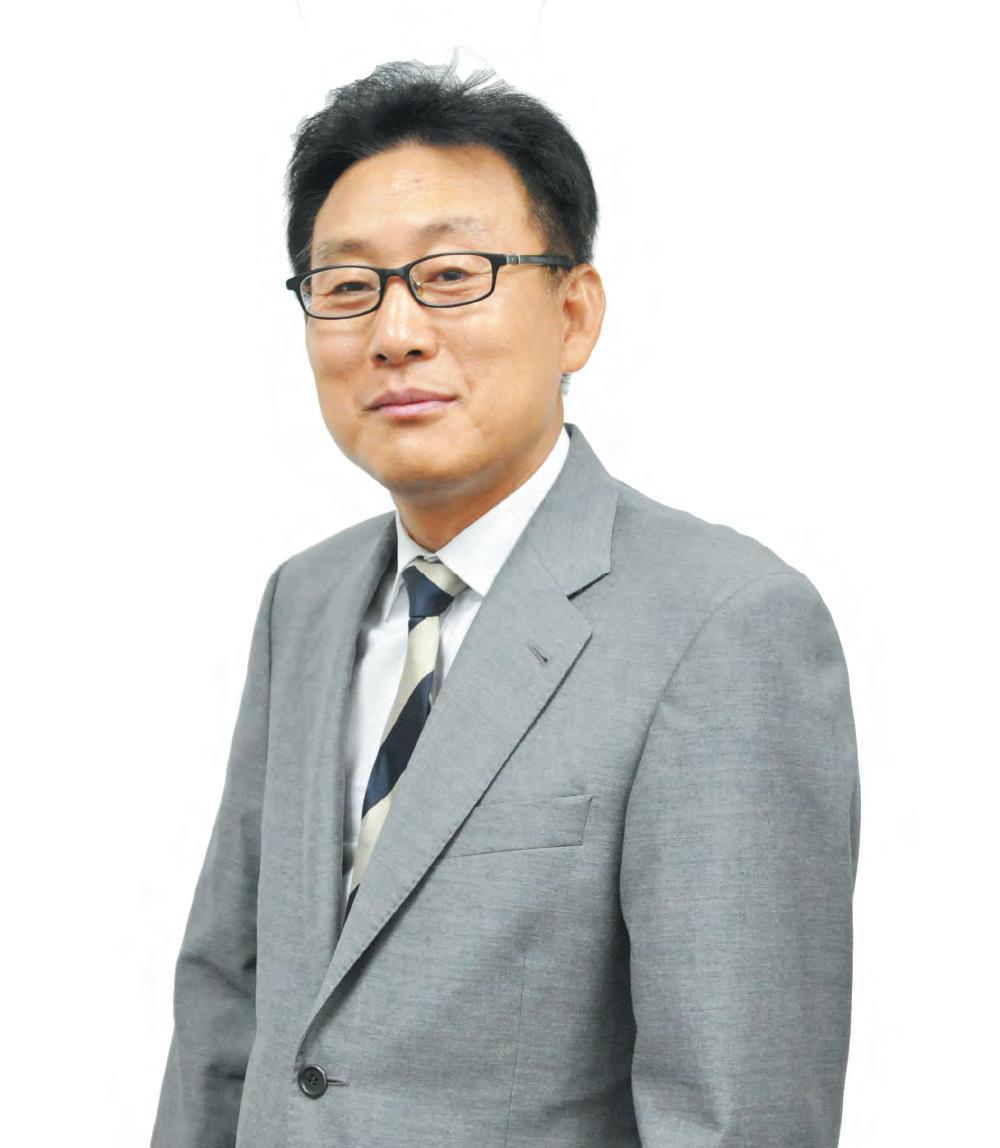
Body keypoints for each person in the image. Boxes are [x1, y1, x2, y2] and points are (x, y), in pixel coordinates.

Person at [151, 60, 861, 1147]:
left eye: (451, 274)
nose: (394, 331)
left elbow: (738, 1114)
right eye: (347, 285)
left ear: (574, 314)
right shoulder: (305, 601)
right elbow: (227, 1007)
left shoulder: (725, 625)